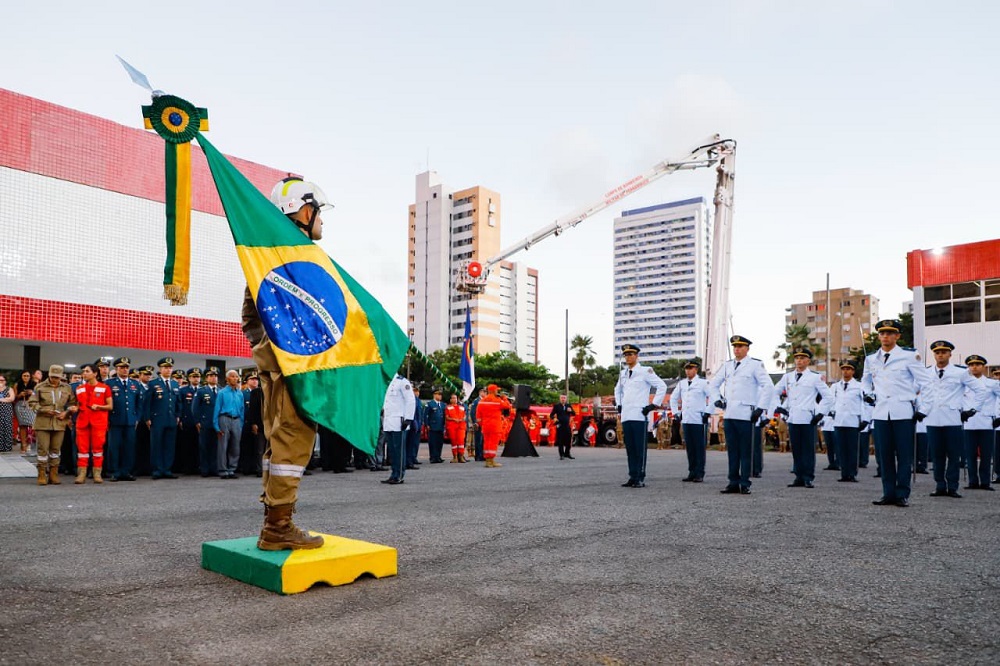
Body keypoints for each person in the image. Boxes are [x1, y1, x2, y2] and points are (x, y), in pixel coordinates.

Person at [243, 177, 334, 550]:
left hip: (277, 365)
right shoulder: (299, 257)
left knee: (276, 444)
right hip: (294, 368)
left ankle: (276, 520)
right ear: (305, 210)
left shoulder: (269, 253)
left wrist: (266, 352)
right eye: (320, 214)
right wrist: (284, 355)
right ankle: (278, 527)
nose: (323, 223)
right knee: (293, 443)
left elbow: (250, 316)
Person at [862, 320, 937, 507]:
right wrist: (868, 394)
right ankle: (888, 493)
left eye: (890, 333)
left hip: (903, 411)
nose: (885, 336)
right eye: (882, 333)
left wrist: (923, 409)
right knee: (884, 455)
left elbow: (927, 383)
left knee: (904, 455)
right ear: (878, 336)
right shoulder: (871, 358)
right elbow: (865, 380)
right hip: (880, 413)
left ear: (897, 336)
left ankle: (902, 493)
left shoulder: (909, 356)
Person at [709, 336, 775, 495]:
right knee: (732, 451)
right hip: (730, 413)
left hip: (746, 414)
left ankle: (745, 482)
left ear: (747, 349)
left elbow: (768, 386)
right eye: (735, 346)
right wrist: (717, 399)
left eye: (740, 346)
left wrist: (760, 408)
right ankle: (733, 481)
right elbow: (713, 383)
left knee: (745, 451)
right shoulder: (727, 365)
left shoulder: (754, 365)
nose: (737, 349)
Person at [923, 340, 986, 498]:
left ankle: (952, 486)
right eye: (937, 352)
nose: (940, 355)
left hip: (952, 419)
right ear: (934, 355)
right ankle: (939, 485)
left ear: (950, 354)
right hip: (933, 419)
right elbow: (918, 392)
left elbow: (980, 390)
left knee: (953, 455)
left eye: (944, 352)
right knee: (937, 456)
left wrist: (972, 410)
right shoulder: (926, 372)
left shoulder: (960, 372)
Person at [770, 349, 833, 489]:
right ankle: (798, 476)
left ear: (808, 361)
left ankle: (808, 477)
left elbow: (828, 397)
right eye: (797, 358)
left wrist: (821, 413)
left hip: (808, 417)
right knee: (796, 448)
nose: (799, 360)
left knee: (808, 449)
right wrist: (778, 406)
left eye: (802, 358)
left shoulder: (815, 377)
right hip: (792, 417)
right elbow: (775, 391)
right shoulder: (787, 377)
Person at [614, 344, 667, 488]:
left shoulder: (645, 371)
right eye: (626, 355)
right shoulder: (623, 373)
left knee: (639, 448)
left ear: (637, 356)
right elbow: (617, 390)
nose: (628, 357)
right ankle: (632, 476)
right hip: (626, 415)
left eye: (631, 354)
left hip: (639, 414)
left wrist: (653, 405)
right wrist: (619, 404)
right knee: (630, 448)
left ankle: (640, 477)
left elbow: (662, 386)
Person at [28, 365, 77, 485]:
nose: (55, 379)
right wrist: (43, 410)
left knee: (55, 450)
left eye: (57, 377)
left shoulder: (67, 388)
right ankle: (41, 474)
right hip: (43, 422)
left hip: (59, 422)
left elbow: (73, 403)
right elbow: (32, 402)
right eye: (53, 377)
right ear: (49, 375)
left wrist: (66, 413)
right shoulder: (40, 386)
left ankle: (53, 474)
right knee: (43, 449)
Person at [962, 354, 1000, 492]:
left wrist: (998, 415)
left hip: (986, 422)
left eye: (977, 364)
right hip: (969, 423)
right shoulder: (963, 383)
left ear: (983, 367)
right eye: (971, 365)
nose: (974, 367)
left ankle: (985, 482)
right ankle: (973, 481)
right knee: (970, 454)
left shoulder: (992, 383)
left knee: (986, 454)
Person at [669, 360, 711, 482]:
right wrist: (676, 412)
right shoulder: (681, 383)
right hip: (686, 418)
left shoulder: (703, 383)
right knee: (690, 447)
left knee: (699, 448)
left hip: (698, 419)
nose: (688, 371)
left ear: (696, 369)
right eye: (686, 368)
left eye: (690, 368)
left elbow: (713, 396)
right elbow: (673, 398)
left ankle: (699, 473)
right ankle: (692, 472)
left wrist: (707, 411)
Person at [73, 362, 113, 484]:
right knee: (82, 449)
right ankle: (82, 474)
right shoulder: (79, 389)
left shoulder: (105, 388)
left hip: (98, 423)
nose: (84, 374)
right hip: (82, 422)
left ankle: (97, 473)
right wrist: (75, 408)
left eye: (87, 371)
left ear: (95, 373)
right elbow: (78, 405)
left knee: (98, 449)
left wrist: (99, 407)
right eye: (84, 371)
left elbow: (110, 406)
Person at [830, 360, 869, 483]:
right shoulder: (835, 387)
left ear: (853, 371)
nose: (845, 371)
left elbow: (865, 404)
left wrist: (865, 419)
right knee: (841, 449)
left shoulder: (859, 386)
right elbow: (830, 401)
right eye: (843, 369)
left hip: (853, 421)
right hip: (839, 420)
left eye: (848, 369)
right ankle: (844, 473)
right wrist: (831, 412)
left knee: (852, 449)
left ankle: (852, 473)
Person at [143, 357, 181, 480]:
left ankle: (167, 469)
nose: (168, 370)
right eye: (165, 367)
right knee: (157, 444)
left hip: (171, 418)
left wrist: (178, 415)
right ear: (160, 369)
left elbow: (178, 402)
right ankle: (157, 470)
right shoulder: (153, 383)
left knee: (169, 445)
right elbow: (147, 402)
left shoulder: (175, 384)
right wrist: (147, 417)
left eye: (170, 367)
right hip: (157, 418)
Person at [105, 357, 141, 482]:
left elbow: (138, 403)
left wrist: (137, 417)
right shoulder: (109, 383)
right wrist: (107, 419)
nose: (125, 370)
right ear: (116, 369)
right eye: (122, 368)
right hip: (115, 420)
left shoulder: (135, 384)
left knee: (129, 447)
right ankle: (115, 472)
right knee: (114, 447)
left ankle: (126, 471)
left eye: (127, 367)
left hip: (130, 420)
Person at [382, 373, 415, 485]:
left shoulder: (402, 381)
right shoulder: (385, 381)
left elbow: (410, 400)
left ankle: (399, 475)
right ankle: (393, 474)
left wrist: (408, 418)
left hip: (399, 421)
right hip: (388, 421)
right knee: (392, 450)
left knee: (399, 450)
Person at [213, 369, 245, 479]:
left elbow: (242, 410)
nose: (235, 378)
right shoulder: (222, 393)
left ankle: (232, 469)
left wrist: (240, 424)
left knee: (236, 446)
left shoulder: (240, 393)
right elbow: (217, 409)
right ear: (227, 379)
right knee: (223, 445)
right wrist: (216, 426)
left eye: (236, 376)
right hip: (224, 418)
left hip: (236, 420)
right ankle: (222, 470)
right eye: (232, 376)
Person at [192, 367, 220, 477]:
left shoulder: (221, 390)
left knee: (215, 447)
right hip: (205, 422)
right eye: (211, 376)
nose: (214, 378)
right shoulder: (201, 391)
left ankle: (214, 468)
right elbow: (195, 408)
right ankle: (204, 469)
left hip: (217, 423)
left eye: (215, 376)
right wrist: (197, 421)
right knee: (204, 446)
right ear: (207, 378)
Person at [476, 384, 510, 468]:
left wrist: (482, 424)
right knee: (493, 443)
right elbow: (507, 406)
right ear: (494, 391)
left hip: (485, 426)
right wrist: (504, 398)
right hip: (495, 425)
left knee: (486, 443)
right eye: (497, 390)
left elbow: (478, 415)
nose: (497, 391)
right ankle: (491, 460)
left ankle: (488, 461)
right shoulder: (497, 400)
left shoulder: (482, 401)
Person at [176, 368, 202, 475]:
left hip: (200, 423)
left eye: (198, 376)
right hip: (187, 421)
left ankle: (197, 467)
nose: (196, 379)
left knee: (199, 446)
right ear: (189, 378)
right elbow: (180, 406)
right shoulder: (183, 390)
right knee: (187, 446)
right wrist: (180, 418)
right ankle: (187, 468)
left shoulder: (202, 390)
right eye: (193, 376)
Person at [14, 370, 36, 454]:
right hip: (20, 405)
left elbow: (38, 395)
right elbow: (15, 397)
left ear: (30, 377)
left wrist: (31, 393)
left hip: (30, 404)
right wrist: (20, 395)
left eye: (28, 376)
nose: (26, 377)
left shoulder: (34, 384)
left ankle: (29, 443)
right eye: (24, 375)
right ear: (21, 376)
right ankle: (23, 444)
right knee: (22, 425)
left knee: (32, 424)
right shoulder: (17, 384)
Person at [423, 389, 446, 463]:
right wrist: (427, 424)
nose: (439, 396)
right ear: (434, 395)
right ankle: (433, 457)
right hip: (433, 426)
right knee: (433, 442)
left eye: (440, 395)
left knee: (439, 442)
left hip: (440, 426)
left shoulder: (442, 404)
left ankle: (438, 456)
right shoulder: (430, 404)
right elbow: (426, 415)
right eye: (438, 394)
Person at [551, 394, 576, 460]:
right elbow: (551, 415)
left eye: (564, 398)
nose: (563, 399)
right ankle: (561, 455)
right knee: (561, 441)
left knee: (568, 440)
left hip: (567, 425)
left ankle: (567, 453)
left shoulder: (568, 405)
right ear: (560, 398)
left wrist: (570, 411)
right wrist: (556, 421)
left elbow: (574, 413)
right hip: (560, 426)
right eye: (562, 398)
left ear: (566, 399)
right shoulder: (556, 406)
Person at [445, 394, 467, 463]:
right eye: (453, 398)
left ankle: (461, 456)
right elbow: (447, 417)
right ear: (450, 400)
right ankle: (455, 457)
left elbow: (465, 415)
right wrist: (454, 419)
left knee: (461, 441)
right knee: (454, 442)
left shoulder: (462, 407)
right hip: (452, 427)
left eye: (455, 398)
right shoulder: (448, 407)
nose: (455, 399)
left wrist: (462, 419)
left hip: (461, 426)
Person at [468, 388, 486, 461]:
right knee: (478, 440)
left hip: (483, 423)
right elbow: (473, 412)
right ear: (480, 392)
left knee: (483, 440)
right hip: (478, 423)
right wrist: (475, 422)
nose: (485, 393)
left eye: (486, 392)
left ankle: (482, 455)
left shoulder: (484, 401)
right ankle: (478, 456)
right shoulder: (476, 401)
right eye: (484, 392)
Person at [0, 374, 15, 452]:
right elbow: (8, 399)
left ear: (5, 381)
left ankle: (7, 447)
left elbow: (12, 398)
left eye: (2, 380)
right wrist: (6, 399)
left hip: (7, 411)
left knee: (7, 427)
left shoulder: (9, 389)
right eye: (0, 380)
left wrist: (1, 400)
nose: (1, 381)